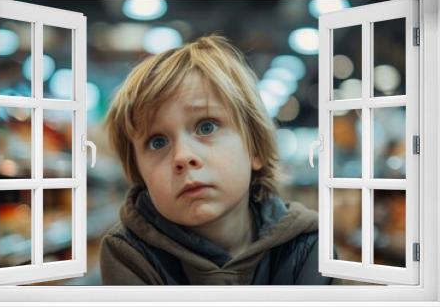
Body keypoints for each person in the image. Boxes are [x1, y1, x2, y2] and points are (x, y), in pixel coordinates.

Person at [100, 34, 333, 285]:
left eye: (206, 127)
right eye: (157, 142)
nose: (183, 156)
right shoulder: (128, 254)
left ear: (254, 148)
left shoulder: (308, 246)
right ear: (139, 174)